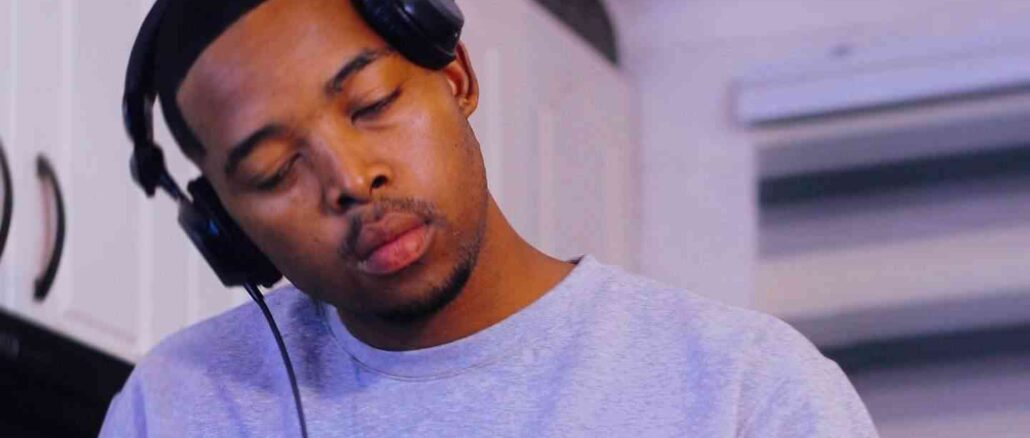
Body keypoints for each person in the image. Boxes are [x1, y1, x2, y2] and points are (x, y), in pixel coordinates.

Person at [100, 0, 879, 436]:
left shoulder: (746, 387)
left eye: (372, 105)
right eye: (274, 171)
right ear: (224, 224)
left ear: (456, 77)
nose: (352, 181)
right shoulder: (177, 407)